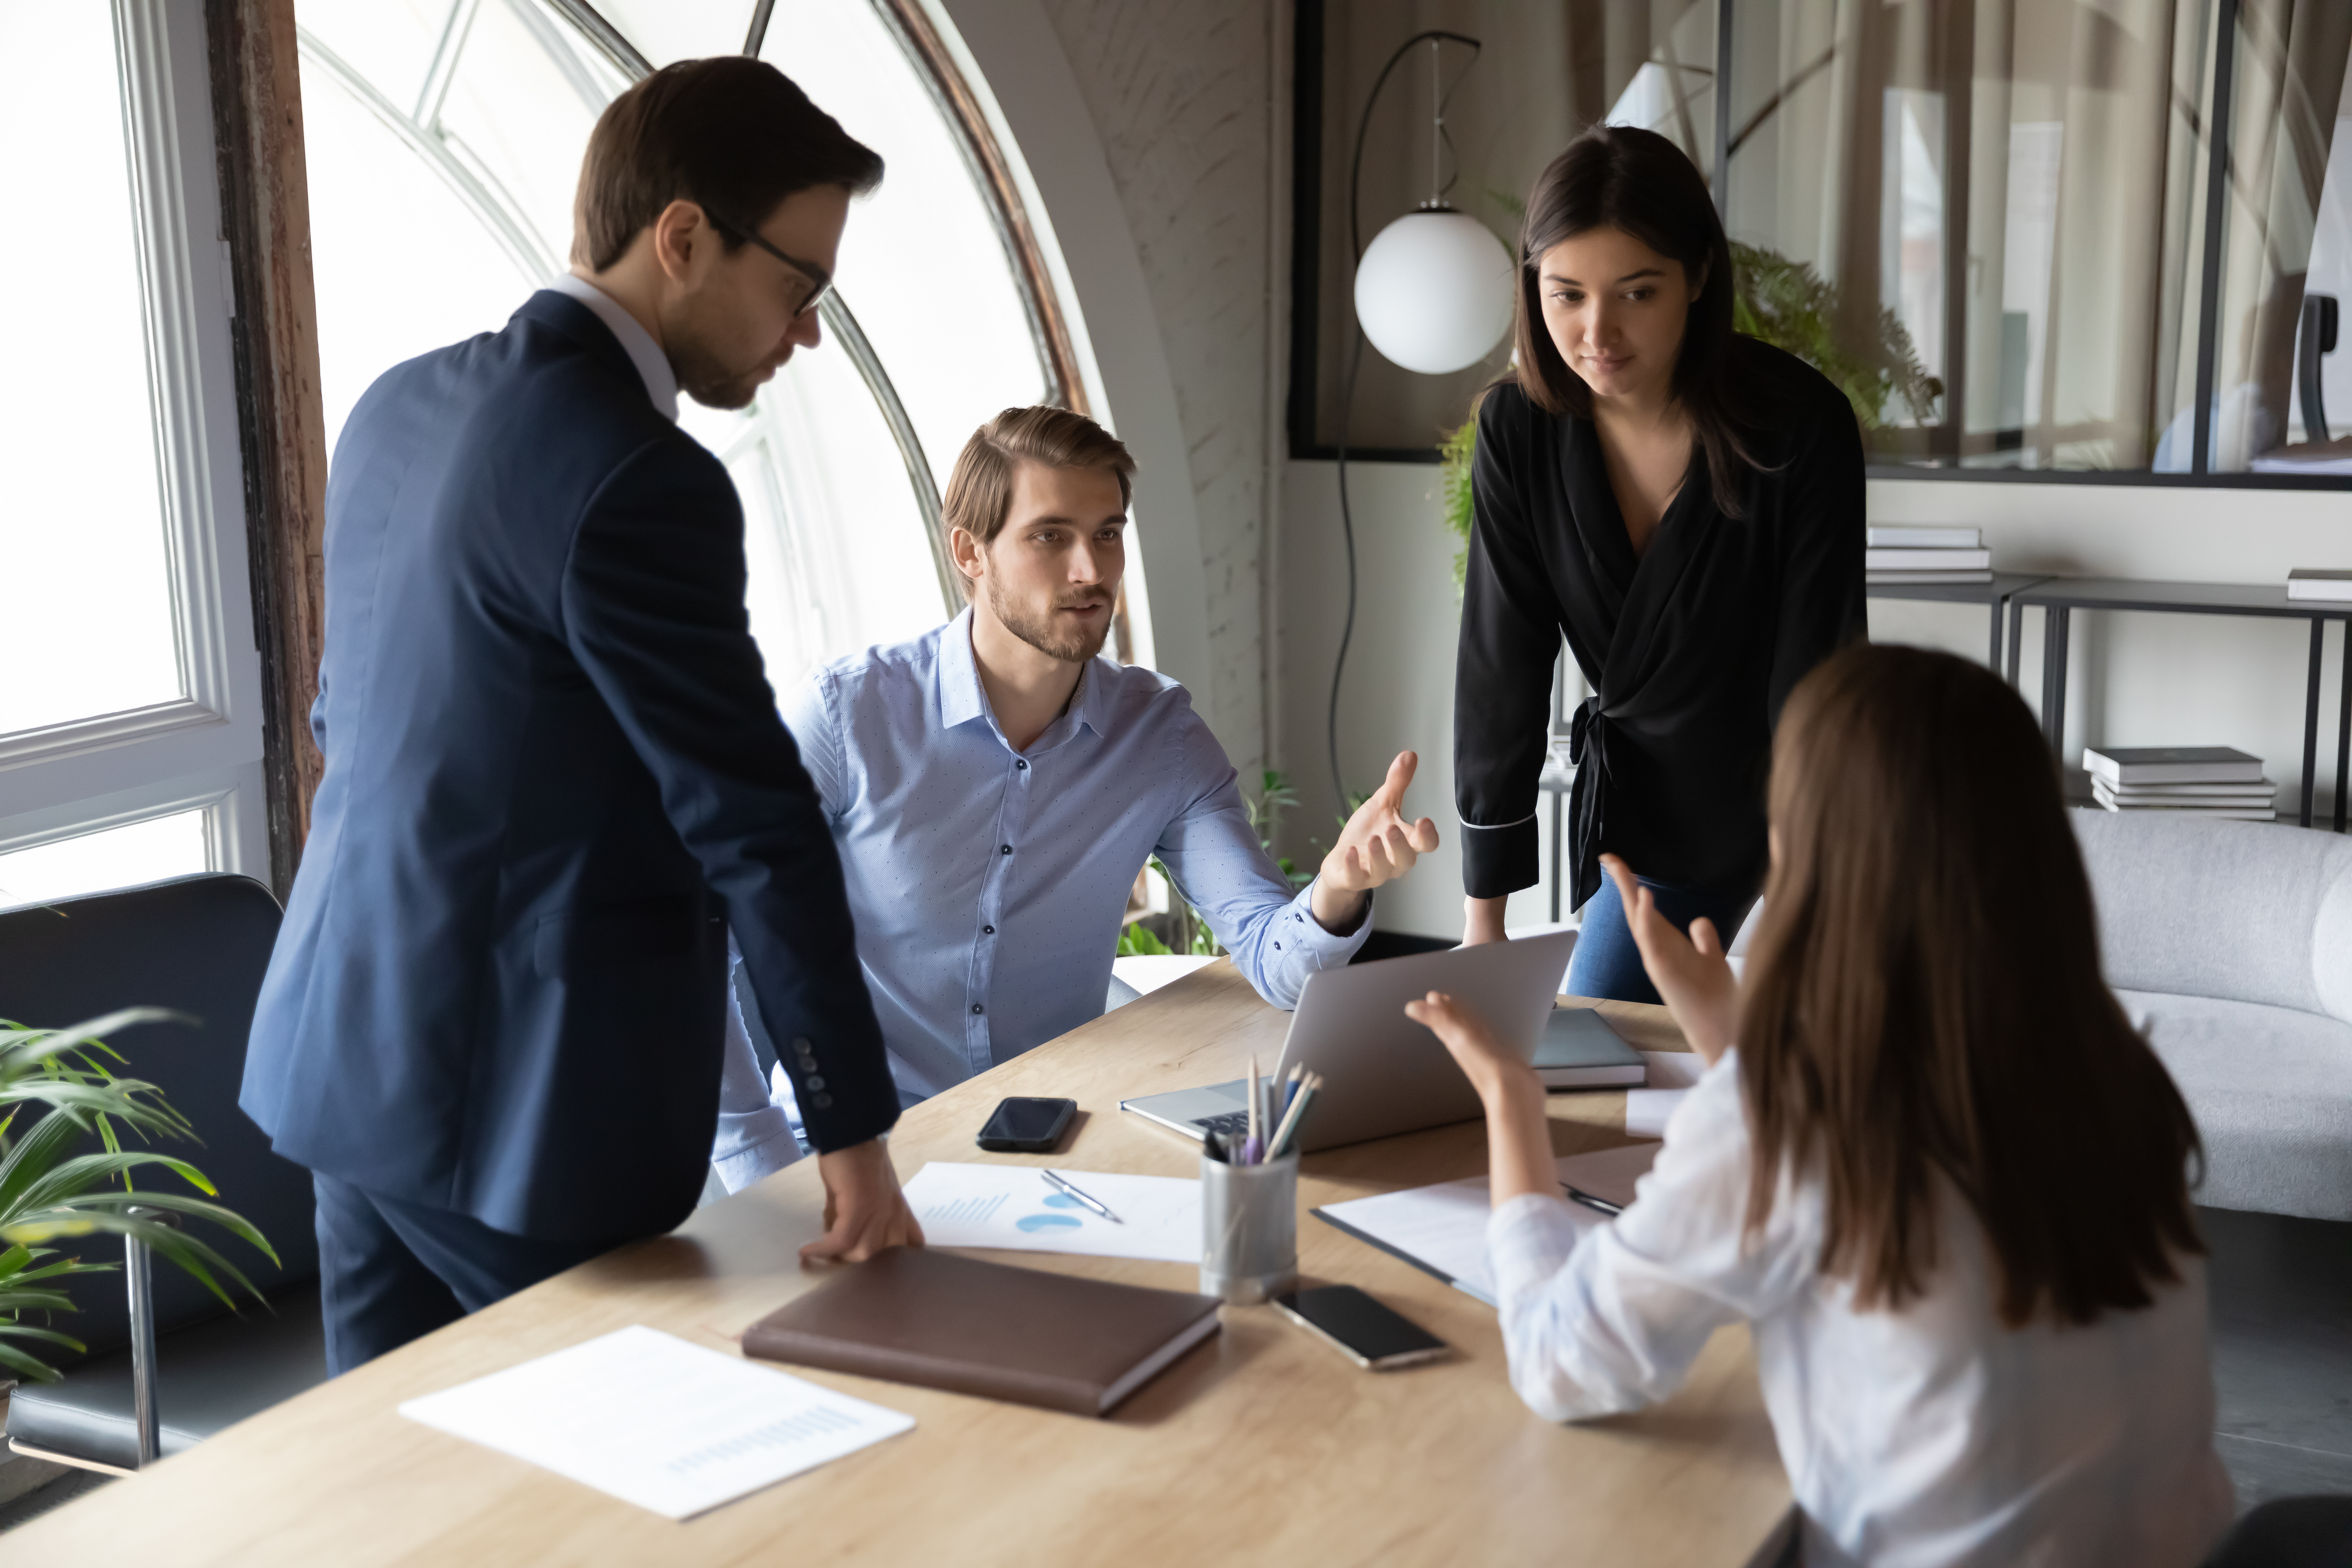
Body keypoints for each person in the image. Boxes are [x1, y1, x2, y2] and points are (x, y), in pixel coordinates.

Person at [242, 58, 921, 1374]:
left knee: (402, 1498)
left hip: (346, 1056)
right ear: (682, 237)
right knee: (626, 1478)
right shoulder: (638, 475)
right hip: (516, 1115)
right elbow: (755, 820)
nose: (807, 334)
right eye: (800, 287)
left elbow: (353, 714)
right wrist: (853, 1139)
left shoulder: (399, 403)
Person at [1410, 645, 2231, 1567]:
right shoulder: (2111, 1066)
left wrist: (1513, 1099)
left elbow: (1564, 1362)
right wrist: (1732, 1044)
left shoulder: (1793, 1108)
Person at [709, 406, 1440, 1185]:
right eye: (1049, 536)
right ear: (971, 551)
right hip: (860, 1151)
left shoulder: (1159, 734)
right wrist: (761, 1171)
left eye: (1108, 533)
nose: (1090, 571)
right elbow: (708, 942)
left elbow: (1271, 956)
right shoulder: (847, 715)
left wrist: (1334, 890)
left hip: (1054, 1147)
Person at [1454, 125, 1865, 1001]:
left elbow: (1817, 671)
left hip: (1776, 800)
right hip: (1638, 819)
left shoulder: (1799, 425)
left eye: (1637, 293)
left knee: (1627, 1040)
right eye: (1565, 294)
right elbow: (1504, 665)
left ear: (1699, 278)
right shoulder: (1518, 430)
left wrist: (1803, 891)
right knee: (1593, 1066)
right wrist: (1483, 919)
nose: (1597, 332)